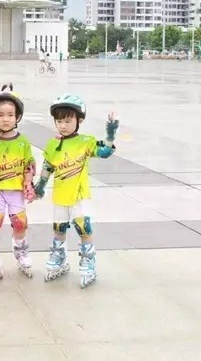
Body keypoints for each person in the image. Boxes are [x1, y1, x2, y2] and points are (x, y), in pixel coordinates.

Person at [33, 93, 119, 288]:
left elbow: (104, 152)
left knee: (83, 227)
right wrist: (40, 185)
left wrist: (110, 134)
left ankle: (88, 259)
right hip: (60, 195)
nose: (63, 125)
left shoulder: (86, 142)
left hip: (79, 196)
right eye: (59, 121)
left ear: (79, 120)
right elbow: (48, 166)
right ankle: (59, 255)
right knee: (59, 228)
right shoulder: (53, 144)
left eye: (67, 121)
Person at [0, 84, 37, 279]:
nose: (5, 119)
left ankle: (21, 252)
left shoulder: (23, 142)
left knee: (20, 223)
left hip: (16, 191)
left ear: (17, 117)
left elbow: (28, 165)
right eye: (0, 115)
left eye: (10, 115)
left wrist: (28, 184)